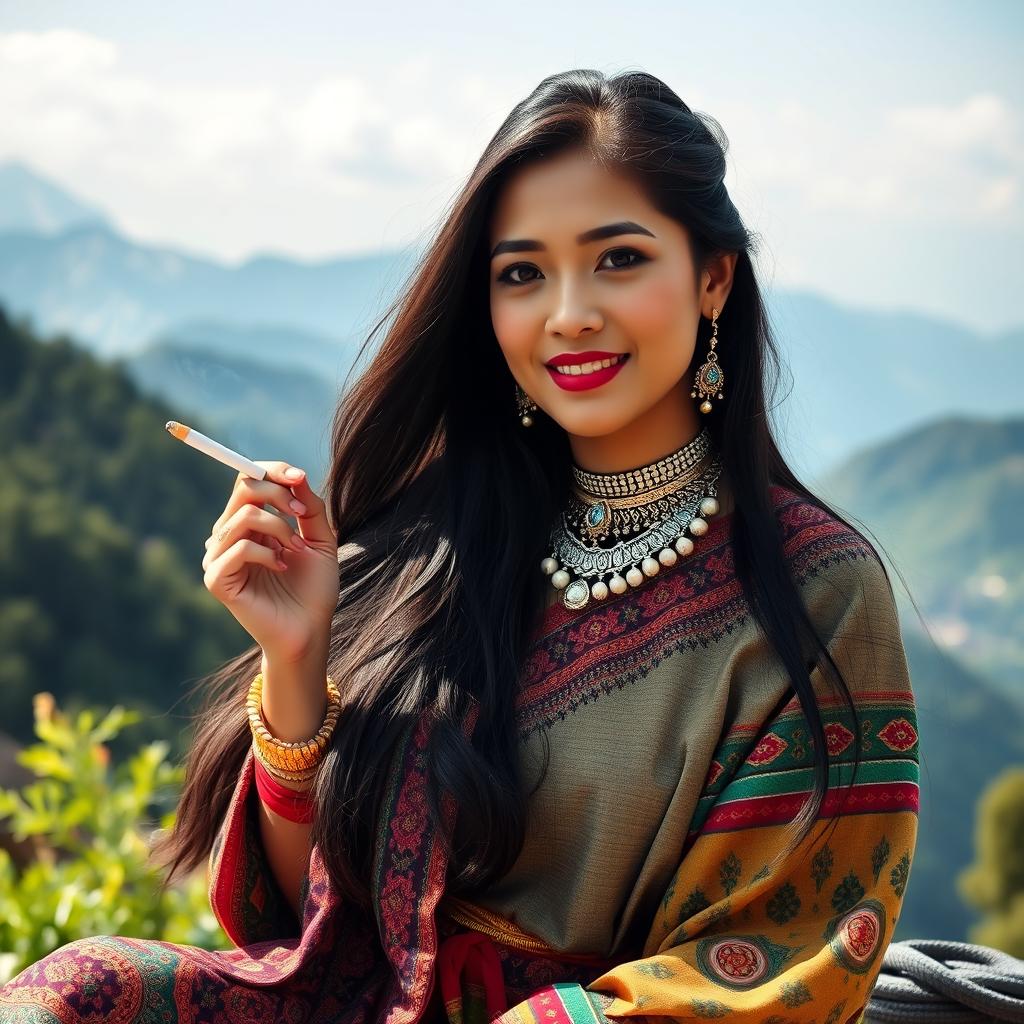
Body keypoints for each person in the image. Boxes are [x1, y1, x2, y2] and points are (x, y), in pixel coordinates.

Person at [0, 68, 920, 1024]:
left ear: (714, 277)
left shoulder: (817, 591)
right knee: (69, 997)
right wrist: (297, 657)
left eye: (618, 260)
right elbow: (295, 915)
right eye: (522, 273)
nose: (569, 312)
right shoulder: (440, 541)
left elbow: (779, 963)